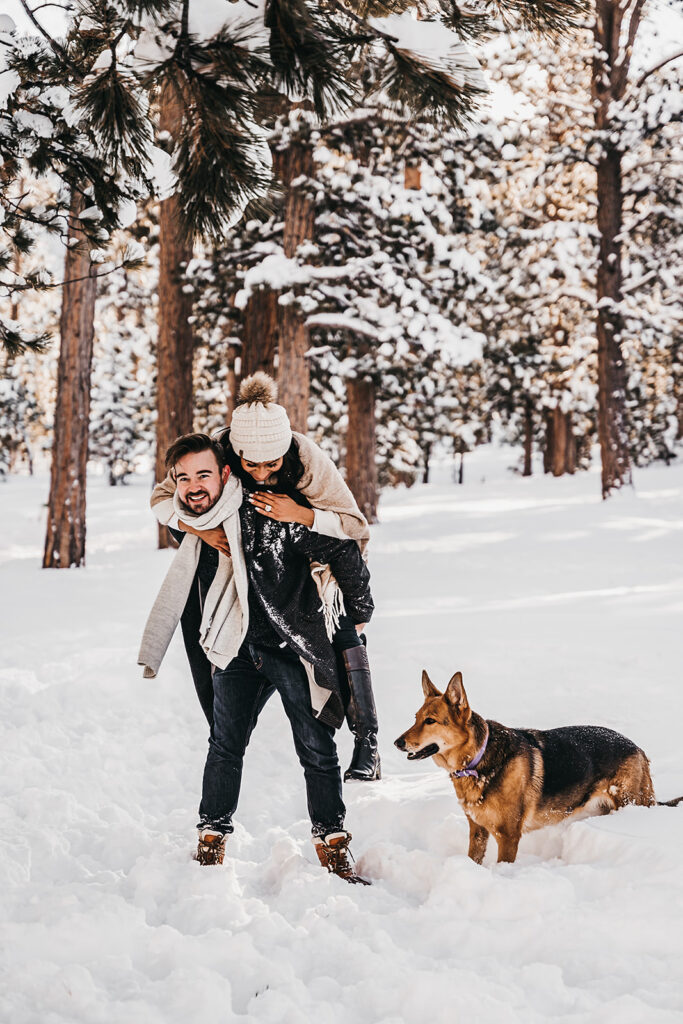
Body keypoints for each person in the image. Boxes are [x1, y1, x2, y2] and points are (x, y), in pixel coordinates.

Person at [139, 431, 374, 882]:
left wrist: (359, 613)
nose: (193, 486)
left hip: (290, 644)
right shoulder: (197, 521)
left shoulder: (273, 508)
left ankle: (332, 842)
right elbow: (170, 511)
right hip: (235, 647)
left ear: (226, 473)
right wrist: (195, 527)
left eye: (204, 474)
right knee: (225, 746)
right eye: (183, 478)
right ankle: (211, 840)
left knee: (316, 747)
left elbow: (343, 546)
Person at [150, 372, 381, 782]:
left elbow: (353, 528)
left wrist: (303, 514)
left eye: (271, 464)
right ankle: (227, 737)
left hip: (311, 558)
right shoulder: (214, 451)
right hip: (235, 569)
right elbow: (163, 498)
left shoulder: (307, 457)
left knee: (342, 625)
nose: (259, 472)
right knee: (217, 673)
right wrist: (199, 529)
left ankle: (367, 739)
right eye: (249, 463)